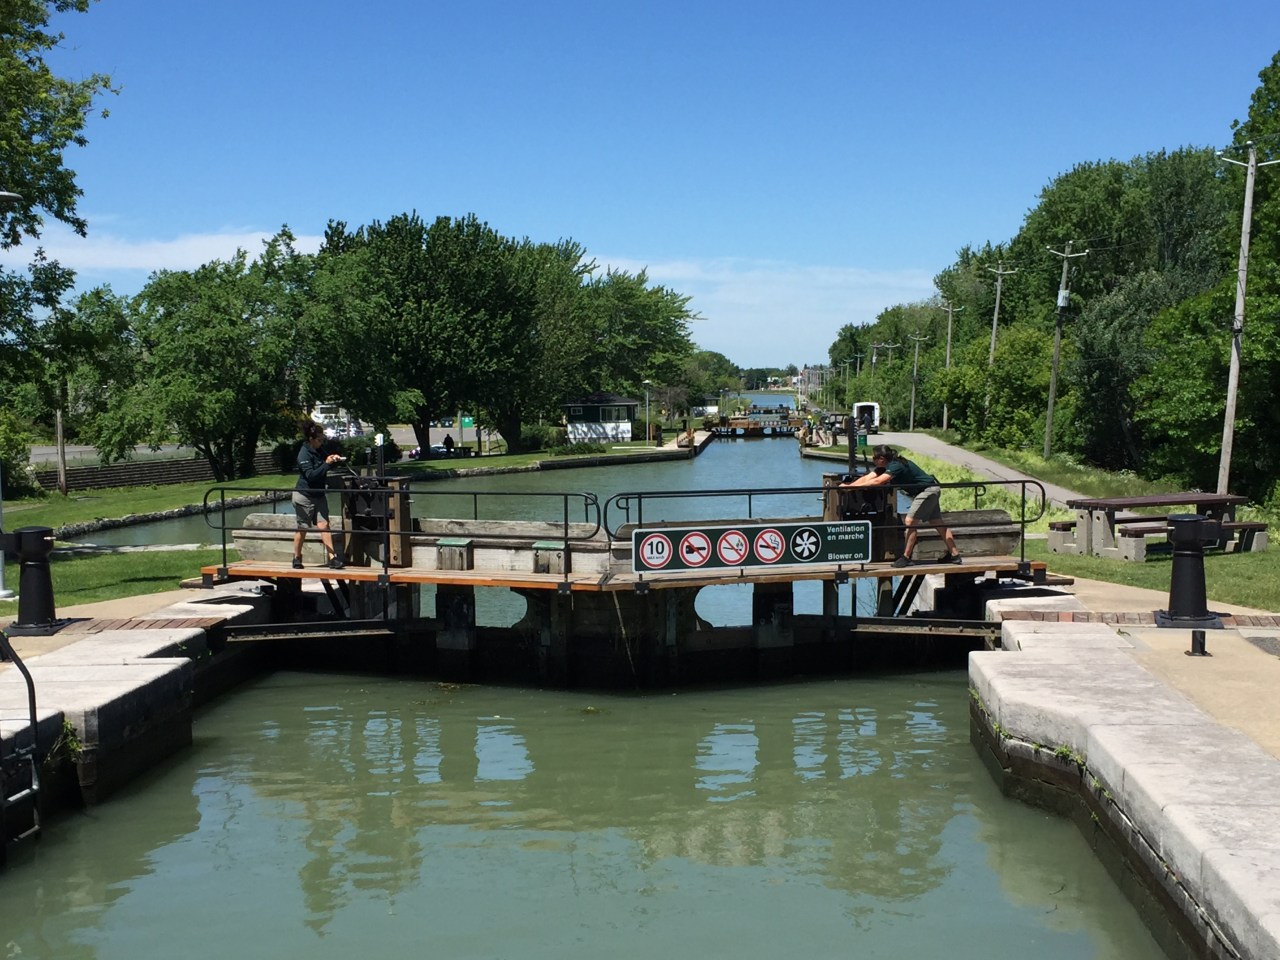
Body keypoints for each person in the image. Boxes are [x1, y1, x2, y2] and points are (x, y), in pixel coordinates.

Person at [840, 444, 961, 567]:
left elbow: (877, 481)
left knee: (910, 521)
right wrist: (849, 486)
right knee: (937, 522)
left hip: (927, 491)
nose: (873, 460)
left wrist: (851, 487)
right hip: (929, 489)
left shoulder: (896, 465)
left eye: (874, 457)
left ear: (881, 459)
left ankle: (906, 557)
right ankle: (955, 555)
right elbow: (867, 478)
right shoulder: (884, 467)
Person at [292, 421, 346, 570]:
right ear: (311, 439)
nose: (321, 442)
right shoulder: (303, 454)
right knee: (303, 527)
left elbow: (325, 466)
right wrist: (326, 464)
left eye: (323, 440)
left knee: (324, 525)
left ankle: (333, 558)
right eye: (319, 440)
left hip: (319, 494)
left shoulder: (319, 449)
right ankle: (296, 557)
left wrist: (333, 460)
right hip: (304, 495)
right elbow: (311, 475)